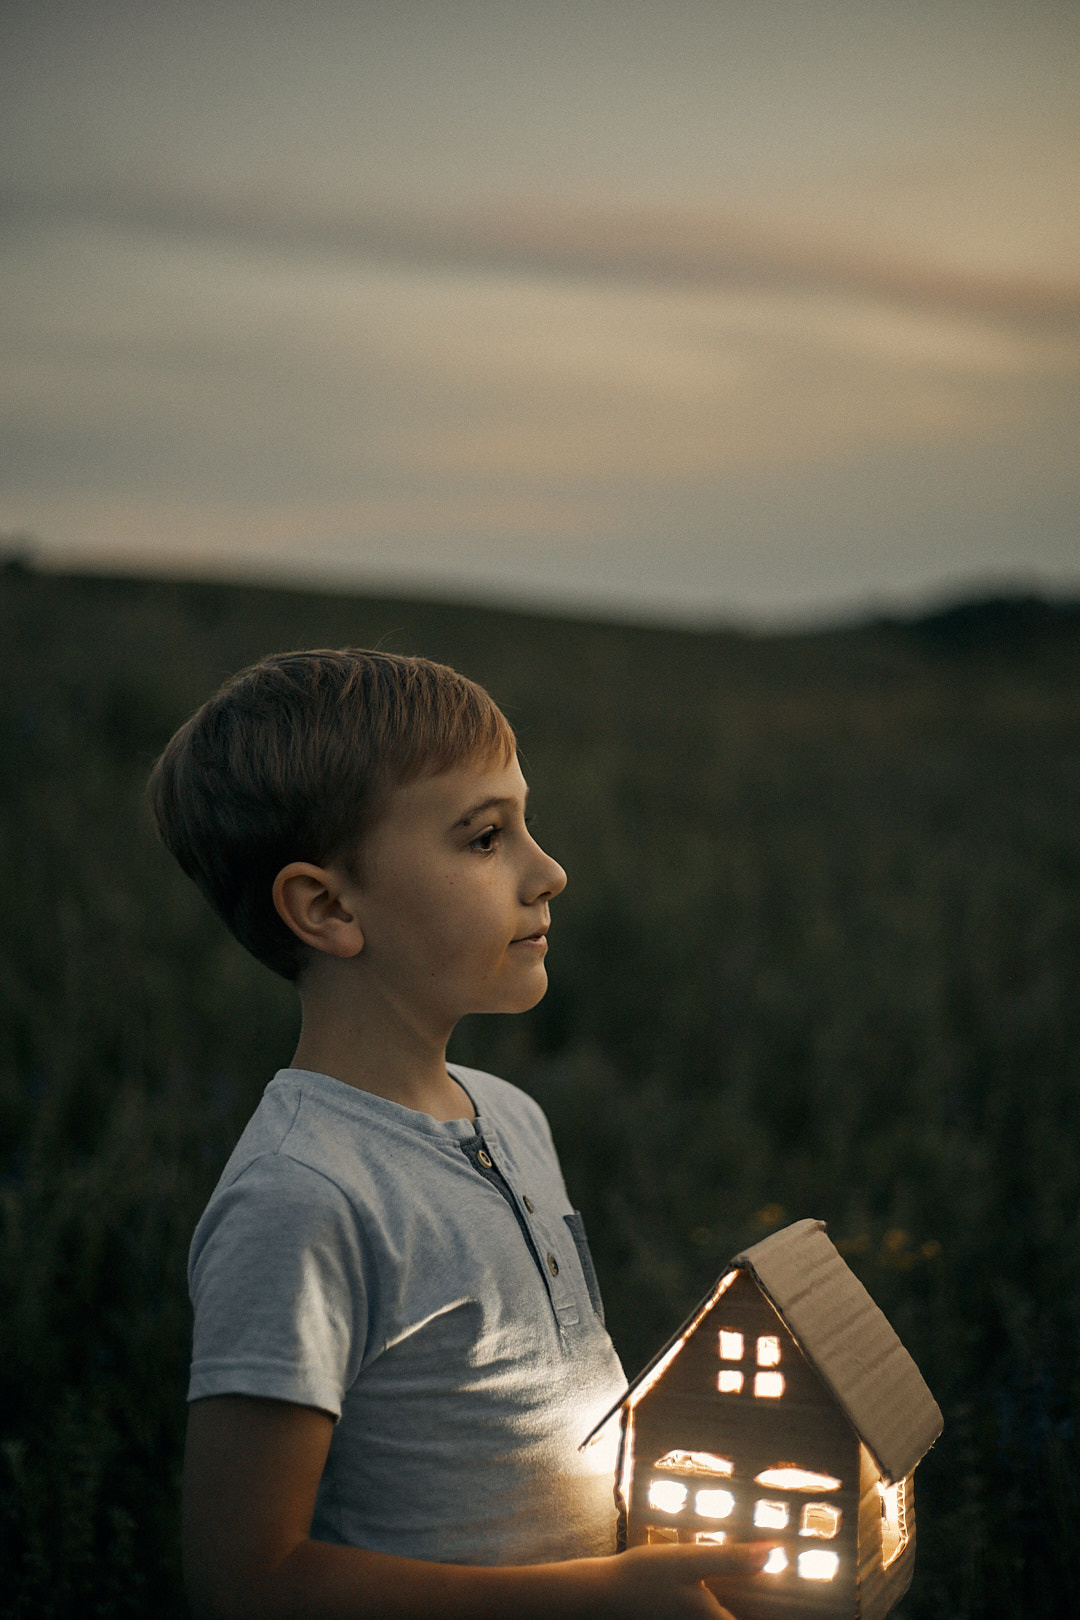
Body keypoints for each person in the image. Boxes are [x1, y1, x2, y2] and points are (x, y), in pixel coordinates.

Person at [149, 648, 771, 1619]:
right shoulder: (301, 1195)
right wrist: (596, 1597)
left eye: (527, 824)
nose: (550, 871)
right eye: (485, 839)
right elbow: (245, 1580)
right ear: (328, 907)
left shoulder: (513, 1116)